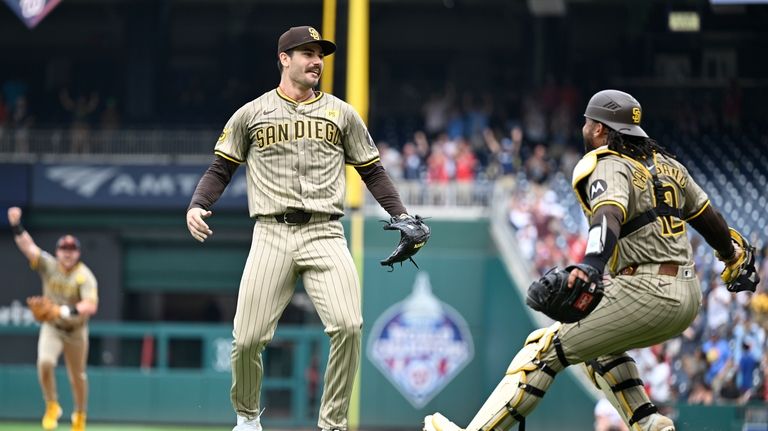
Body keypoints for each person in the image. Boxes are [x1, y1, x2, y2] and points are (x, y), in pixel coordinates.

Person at [423, 89, 753, 431]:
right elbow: (709, 218)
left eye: (587, 121)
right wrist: (732, 258)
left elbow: (609, 214)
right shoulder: (670, 166)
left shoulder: (609, 162)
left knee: (543, 349)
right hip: (686, 293)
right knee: (597, 345)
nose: (584, 127)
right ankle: (649, 423)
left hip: (647, 288)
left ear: (599, 129)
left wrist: (592, 265)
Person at [185, 26, 414, 431]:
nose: (316, 61)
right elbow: (221, 169)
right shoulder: (251, 113)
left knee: (348, 325)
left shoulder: (342, 113)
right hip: (271, 233)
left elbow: (372, 170)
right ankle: (247, 418)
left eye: (320, 54)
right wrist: (199, 204)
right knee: (248, 338)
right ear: (284, 59)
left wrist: (400, 214)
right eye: (306, 53)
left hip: (326, 232)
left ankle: (332, 424)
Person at [7, 207, 98, 431]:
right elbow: (28, 248)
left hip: (76, 331)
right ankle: (52, 405)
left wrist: (64, 311)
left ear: (78, 253)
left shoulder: (84, 275)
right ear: (57, 251)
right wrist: (17, 225)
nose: (67, 253)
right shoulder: (49, 265)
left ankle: (79, 415)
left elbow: (90, 305)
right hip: (53, 327)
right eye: (63, 248)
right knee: (45, 363)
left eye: (72, 249)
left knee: (78, 376)